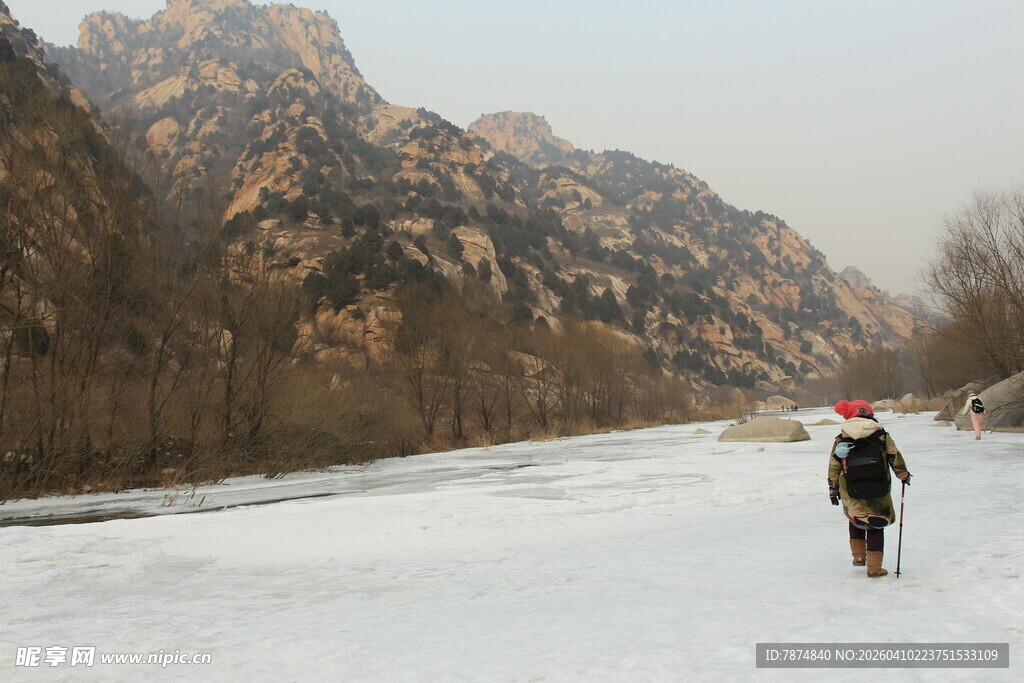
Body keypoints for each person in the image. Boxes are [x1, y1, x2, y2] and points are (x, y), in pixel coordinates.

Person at [827, 400, 912, 578]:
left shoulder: (842, 438)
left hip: (850, 488)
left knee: (855, 518)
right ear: (869, 413)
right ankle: (874, 568)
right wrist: (903, 475)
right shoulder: (881, 435)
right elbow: (894, 456)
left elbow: (834, 465)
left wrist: (833, 488)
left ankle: (859, 557)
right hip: (878, 486)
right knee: (875, 524)